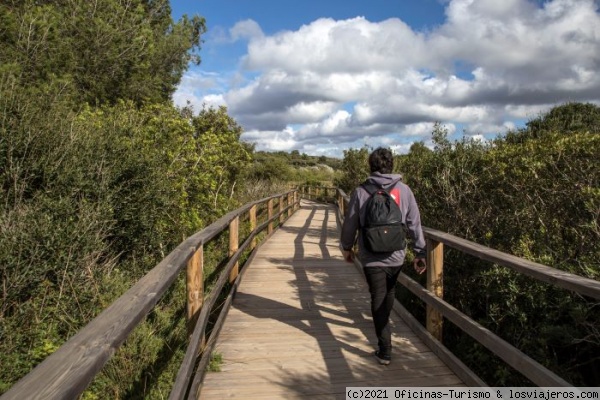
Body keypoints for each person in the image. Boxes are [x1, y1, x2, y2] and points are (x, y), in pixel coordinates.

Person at [340, 147, 426, 365]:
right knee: (388, 293)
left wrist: (347, 247)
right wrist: (419, 251)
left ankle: (385, 349)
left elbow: (350, 223)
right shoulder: (404, 190)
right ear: (391, 165)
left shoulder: (361, 191)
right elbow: (414, 223)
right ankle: (385, 337)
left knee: (378, 297)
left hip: (371, 256)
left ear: (371, 166)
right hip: (396, 255)